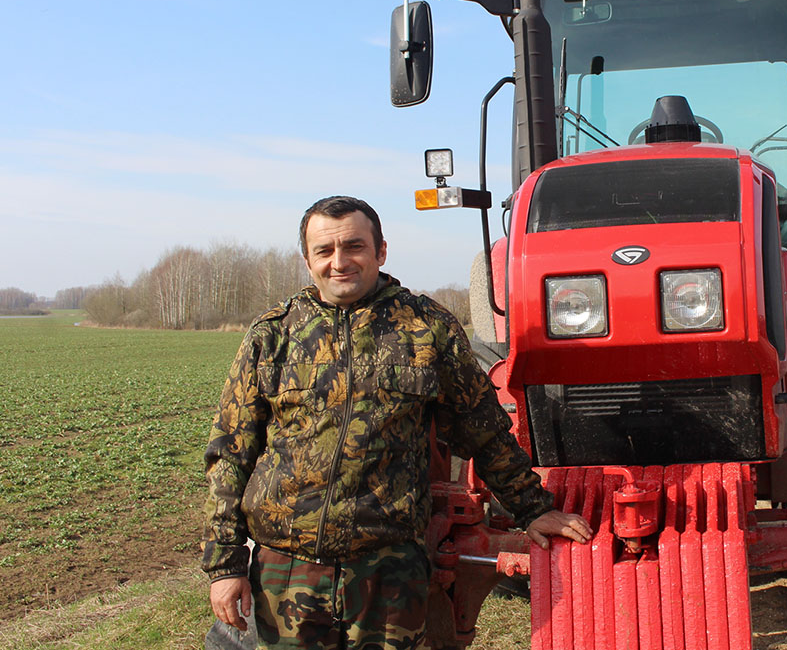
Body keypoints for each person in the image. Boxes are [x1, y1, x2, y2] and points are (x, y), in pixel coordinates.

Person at [202, 195, 591, 648]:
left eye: (354, 246)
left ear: (380, 251)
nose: (339, 262)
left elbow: (482, 430)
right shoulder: (273, 335)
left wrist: (534, 510)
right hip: (287, 567)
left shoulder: (426, 328)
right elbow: (230, 452)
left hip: (388, 571)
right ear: (307, 260)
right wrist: (225, 565)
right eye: (324, 251)